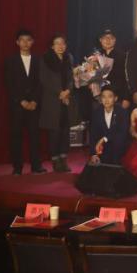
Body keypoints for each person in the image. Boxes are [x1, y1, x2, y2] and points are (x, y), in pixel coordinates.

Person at [5, 28, 44, 175]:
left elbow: (41, 83)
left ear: (32, 42)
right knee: (16, 136)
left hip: (34, 105)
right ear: (17, 42)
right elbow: (9, 83)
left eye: (28, 40)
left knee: (35, 136)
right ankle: (17, 167)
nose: (25, 43)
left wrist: (34, 101)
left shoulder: (38, 60)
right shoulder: (10, 61)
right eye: (22, 40)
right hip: (17, 105)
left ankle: (36, 166)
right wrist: (21, 100)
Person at [39, 34, 76, 173]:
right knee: (54, 131)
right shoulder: (45, 59)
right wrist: (60, 92)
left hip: (67, 99)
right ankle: (55, 160)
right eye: (57, 43)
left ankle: (63, 159)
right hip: (52, 100)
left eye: (63, 43)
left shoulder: (69, 58)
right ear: (52, 46)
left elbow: (72, 77)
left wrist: (68, 91)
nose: (60, 46)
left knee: (65, 130)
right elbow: (44, 79)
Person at [88, 85, 129, 166]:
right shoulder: (96, 112)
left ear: (115, 98)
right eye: (103, 97)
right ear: (101, 99)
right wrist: (94, 154)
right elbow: (93, 134)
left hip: (118, 148)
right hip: (102, 149)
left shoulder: (122, 112)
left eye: (110, 97)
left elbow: (122, 133)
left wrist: (104, 139)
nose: (106, 100)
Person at [96, 29, 129, 110]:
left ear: (115, 40)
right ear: (100, 40)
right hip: (100, 97)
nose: (108, 40)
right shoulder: (96, 56)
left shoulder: (123, 56)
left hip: (118, 97)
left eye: (111, 38)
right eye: (105, 38)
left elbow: (127, 78)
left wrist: (126, 97)